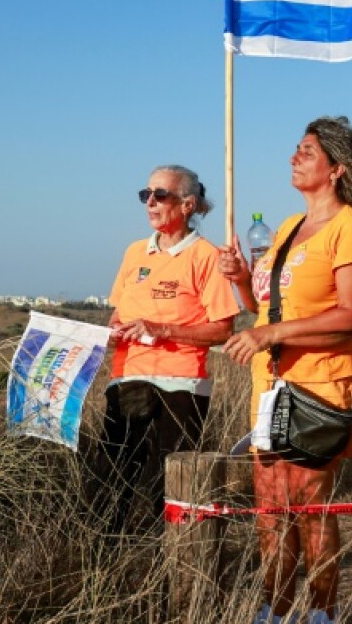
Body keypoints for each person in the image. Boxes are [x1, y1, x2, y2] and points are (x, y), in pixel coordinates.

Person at [220, 117, 352, 624]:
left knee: (309, 506)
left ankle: (322, 612)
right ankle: (275, 607)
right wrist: (244, 282)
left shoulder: (351, 228)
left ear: (336, 169)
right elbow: (265, 311)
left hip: (319, 387)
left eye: (307, 151)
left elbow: (350, 317)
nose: (294, 156)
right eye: (295, 148)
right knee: (270, 507)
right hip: (271, 387)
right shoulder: (288, 227)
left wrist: (269, 335)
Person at [99, 166, 238, 533]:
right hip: (127, 377)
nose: (151, 203)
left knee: (167, 486)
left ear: (188, 204)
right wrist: (113, 331)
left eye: (160, 195)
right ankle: (106, 564)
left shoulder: (206, 256)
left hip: (180, 385)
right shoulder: (134, 252)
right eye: (146, 195)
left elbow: (223, 329)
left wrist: (161, 330)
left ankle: (172, 574)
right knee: (111, 481)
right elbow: (118, 311)